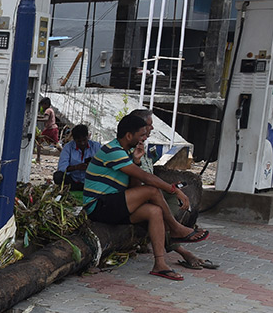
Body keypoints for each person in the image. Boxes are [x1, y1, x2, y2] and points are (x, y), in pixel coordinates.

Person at [83, 114, 207, 281]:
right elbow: (146, 178)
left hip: (114, 205)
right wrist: (174, 190)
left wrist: (136, 160)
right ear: (129, 135)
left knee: (154, 211)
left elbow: (134, 187)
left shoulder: (126, 153)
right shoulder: (113, 151)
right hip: (98, 206)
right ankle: (175, 228)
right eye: (141, 135)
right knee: (152, 190)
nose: (144, 138)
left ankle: (160, 264)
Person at [128, 107, 218, 271]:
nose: (152, 128)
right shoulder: (126, 149)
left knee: (173, 204)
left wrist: (173, 189)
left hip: (149, 191)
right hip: (137, 195)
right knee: (159, 212)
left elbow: (150, 175)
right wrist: (172, 189)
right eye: (149, 125)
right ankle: (180, 246)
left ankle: (176, 237)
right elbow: (143, 178)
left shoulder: (142, 147)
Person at [54, 124, 99, 188]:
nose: (82, 143)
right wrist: (76, 167)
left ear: (88, 137)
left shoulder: (96, 146)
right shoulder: (68, 148)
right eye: (79, 141)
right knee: (58, 176)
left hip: (91, 180)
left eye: (84, 140)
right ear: (74, 140)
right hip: (73, 180)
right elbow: (62, 167)